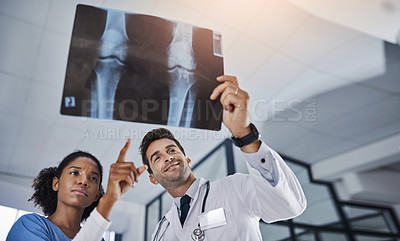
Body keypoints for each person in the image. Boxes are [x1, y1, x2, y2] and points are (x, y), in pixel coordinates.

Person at [140, 75, 307, 241]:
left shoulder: (235, 188)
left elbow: (286, 207)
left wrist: (245, 135)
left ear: (187, 160)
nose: (168, 157)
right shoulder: (161, 231)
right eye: (157, 158)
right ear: (153, 179)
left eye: (171, 150)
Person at [6, 139, 146, 241]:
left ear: (97, 195)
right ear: (56, 183)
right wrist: (108, 201)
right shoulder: (30, 225)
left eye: (93, 178)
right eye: (74, 173)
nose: (83, 181)